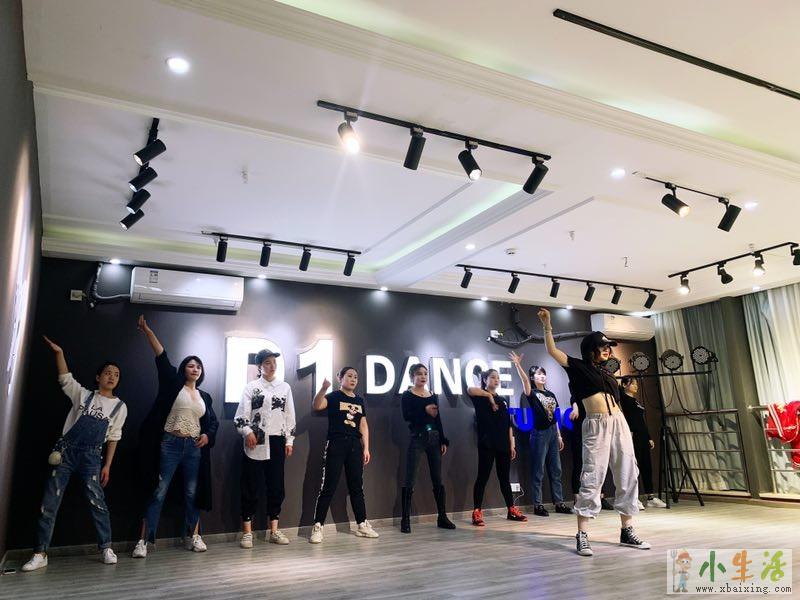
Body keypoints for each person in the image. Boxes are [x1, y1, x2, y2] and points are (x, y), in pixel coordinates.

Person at [538, 308, 650, 556]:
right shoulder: (577, 367)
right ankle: (582, 534)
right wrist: (547, 326)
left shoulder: (608, 373)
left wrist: (625, 428)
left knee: (628, 473)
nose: (607, 350)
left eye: (609, 347)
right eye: (603, 346)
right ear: (591, 349)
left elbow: (618, 402)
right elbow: (553, 351)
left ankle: (627, 530)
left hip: (618, 422)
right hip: (596, 424)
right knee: (592, 475)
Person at [22, 337, 127, 572]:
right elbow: (65, 378)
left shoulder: (120, 407)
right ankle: (40, 553)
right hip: (65, 453)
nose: (112, 377)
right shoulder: (83, 395)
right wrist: (59, 353)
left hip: (92, 457)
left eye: (116, 374)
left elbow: (114, 437)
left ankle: (106, 547)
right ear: (98, 377)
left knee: (97, 503)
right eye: (107, 373)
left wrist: (107, 465)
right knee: (49, 503)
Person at [132, 316, 219, 558]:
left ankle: (194, 536)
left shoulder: (205, 397)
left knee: (192, 493)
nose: (195, 369)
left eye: (198, 366)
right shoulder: (173, 384)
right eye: (191, 365)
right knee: (158, 491)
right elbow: (161, 356)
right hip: (169, 444)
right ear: (183, 369)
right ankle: (143, 541)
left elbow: (212, 423)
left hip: (193, 448)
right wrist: (148, 331)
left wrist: (207, 436)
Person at [235, 349, 297, 548]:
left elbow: (289, 415)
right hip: (256, 440)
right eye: (267, 362)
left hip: (277, 440)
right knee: (250, 485)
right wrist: (247, 432)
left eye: (274, 362)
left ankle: (274, 530)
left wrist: (289, 440)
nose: (272, 366)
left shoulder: (284, 387)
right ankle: (247, 532)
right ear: (260, 366)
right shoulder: (251, 387)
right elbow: (241, 416)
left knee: (276, 486)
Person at [309, 367, 378, 543]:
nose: (353, 379)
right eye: (349, 376)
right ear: (340, 378)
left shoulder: (359, 400)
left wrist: (366, 448)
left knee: (357, 487)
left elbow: (363, 424)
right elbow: (317, 405)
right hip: (336, 443)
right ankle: (318, 526)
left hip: (355, 445)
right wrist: (324, 388)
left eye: (356, 377)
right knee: (328, 485)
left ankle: (362, 524)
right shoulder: (334, 396)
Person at [510, 352, 572, 517]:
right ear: (533, 377)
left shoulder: (551, 394)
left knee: (556, 469)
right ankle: (538, 505)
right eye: (539, 374)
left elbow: (555, 416)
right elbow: (524, 381)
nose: (542, 376)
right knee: (538, 470)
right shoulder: (532, 393)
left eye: (544, 374)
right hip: (539, 432)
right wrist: (518, 365)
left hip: (552, 432)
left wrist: (559, 435)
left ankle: (559, 503)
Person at [400, 363, 455, 533]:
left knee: (437, 478)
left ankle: (442, 517)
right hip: (418, 437)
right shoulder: (407, 395)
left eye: (425, 373)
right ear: (412, 377)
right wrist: (424, 410)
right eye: (419, 374)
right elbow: (407, 416)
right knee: (410, 478)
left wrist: (443, 440)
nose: (423, 376)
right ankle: (405, 519)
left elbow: (437, 419)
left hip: (434, 438)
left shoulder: (432, 395)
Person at [467, 369, 527, 526]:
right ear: (485, 380)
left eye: (498, 378)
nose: (496, 380)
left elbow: (508, 425)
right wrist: (488, 396)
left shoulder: (503, 400)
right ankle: (476, 512)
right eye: (492, 377)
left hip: (503, 445)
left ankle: (511, 510)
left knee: (504, 479)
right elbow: (469, 390)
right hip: (487, 443)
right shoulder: (480, 397)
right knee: (482, 477)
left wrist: (512, 444)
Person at [619, 377, 665, 508]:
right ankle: (633, 498)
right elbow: (629, 420)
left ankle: (650, 497)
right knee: (634, 467)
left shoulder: (635, 400)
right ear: (624, 385)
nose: (636, 386)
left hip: (642, 436)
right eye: (632, 384)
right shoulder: (623, 399)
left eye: (636, 384)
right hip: (632, 436)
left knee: (646, 466)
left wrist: (648, 437)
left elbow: (641, 420)